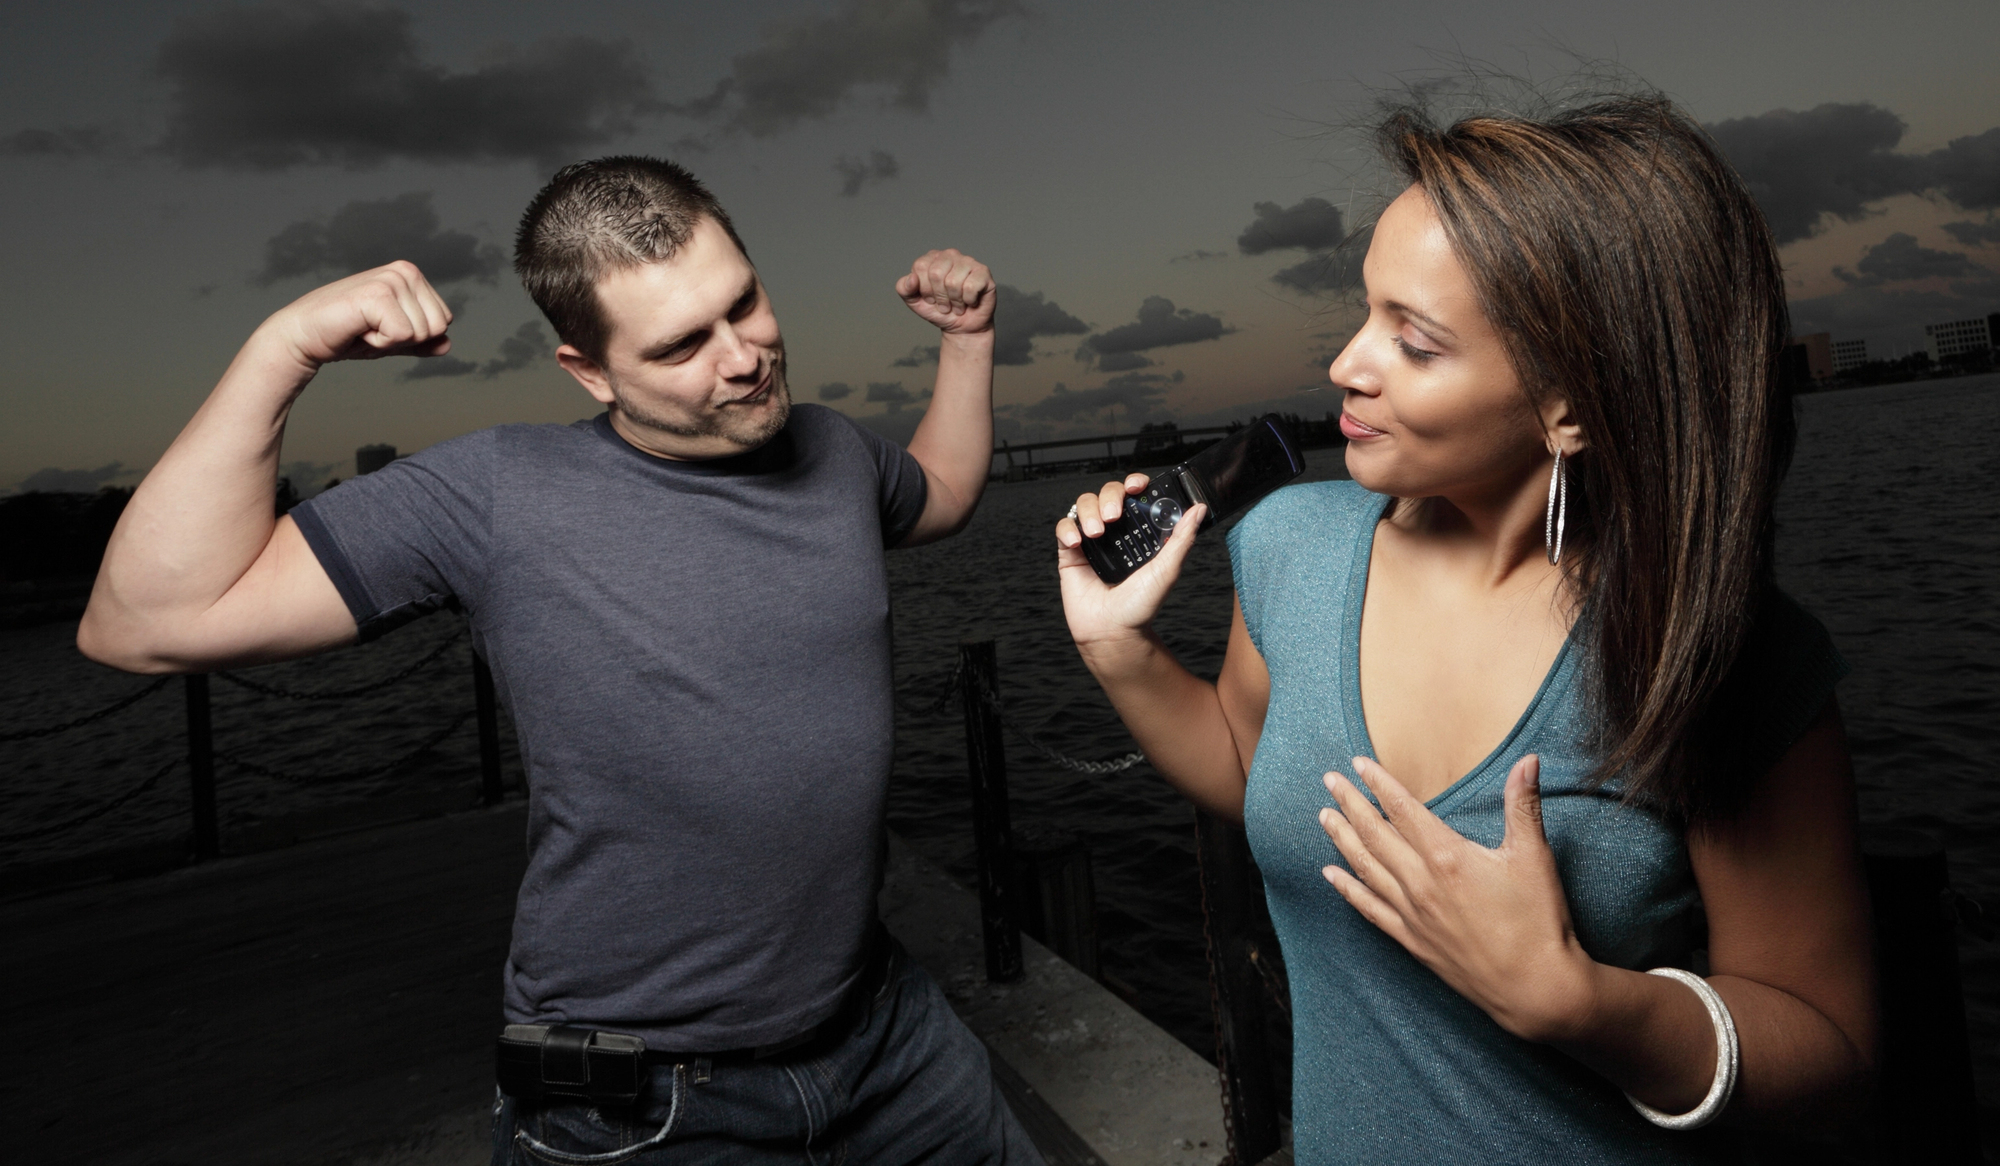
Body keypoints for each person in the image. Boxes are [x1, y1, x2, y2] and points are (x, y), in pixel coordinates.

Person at [80, 156, 1043, 1165]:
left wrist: (967, 343)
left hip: (883, 1033)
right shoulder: (500, 493)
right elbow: (142, 621)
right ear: (588, 369)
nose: (745, 356)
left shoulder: (832, 450)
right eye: (679, 345)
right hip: (649, 1104)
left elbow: (940, 488)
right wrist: (280, 350)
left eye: (742, 303)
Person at [1054, 97, 1876, 1162]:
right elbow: (1252, 763)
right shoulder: (1289, 544)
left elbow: (1831, 1046)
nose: (1349, 364)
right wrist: (1115, 647)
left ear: (1569, 406)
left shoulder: (1720, 653)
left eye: (1414, 339)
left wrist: (1580, 1002)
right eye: (1362, 312)